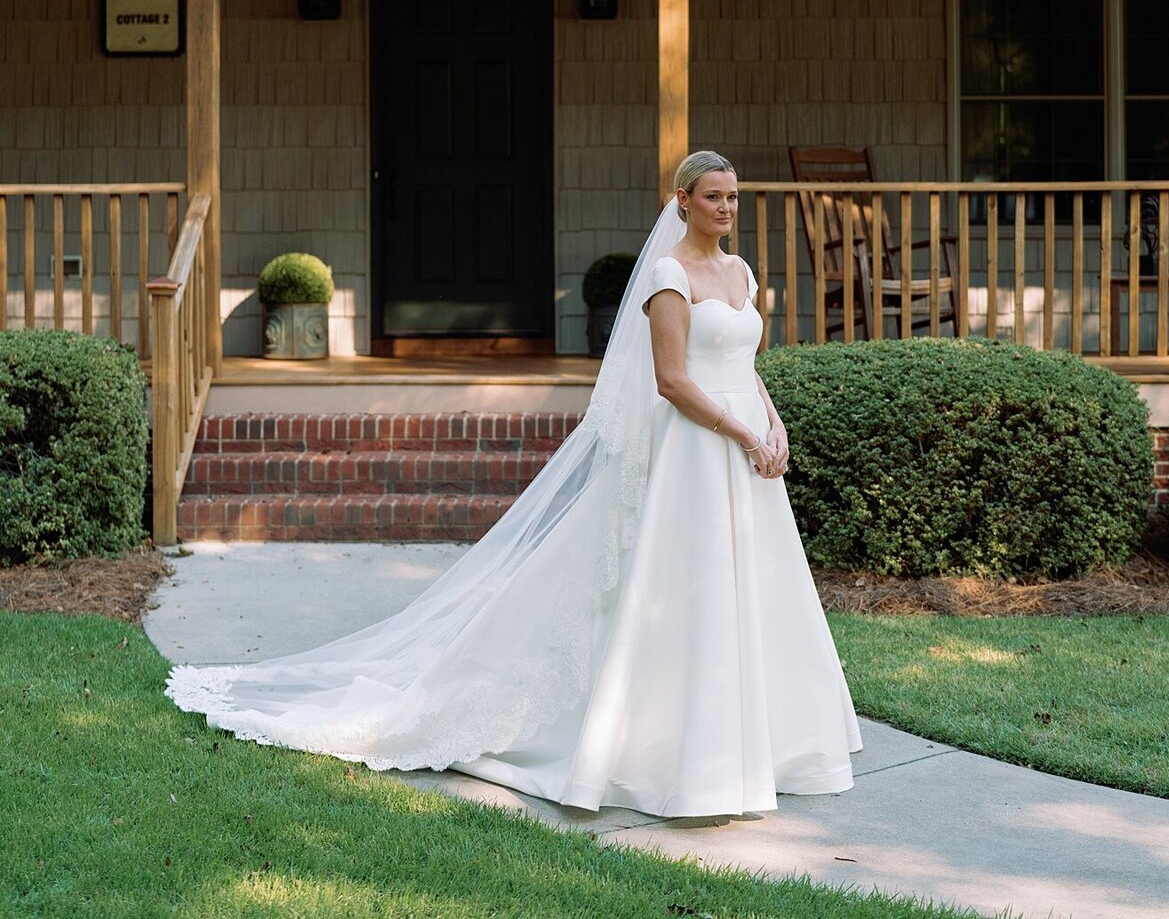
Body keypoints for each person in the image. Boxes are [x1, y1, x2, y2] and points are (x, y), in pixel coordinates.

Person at [166, 150, 861, 817]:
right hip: (699, 451)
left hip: (750, 454)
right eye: (713, 196)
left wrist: (774, 427)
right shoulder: (669, 279)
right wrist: (740, 434)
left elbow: (745, 365)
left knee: (751, 588)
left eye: (733, 196)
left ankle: (762, 750)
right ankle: (671, 757)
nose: (726, 207)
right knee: (682, 590)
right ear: (683, 202)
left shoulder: (740, 273)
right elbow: (673, 381)